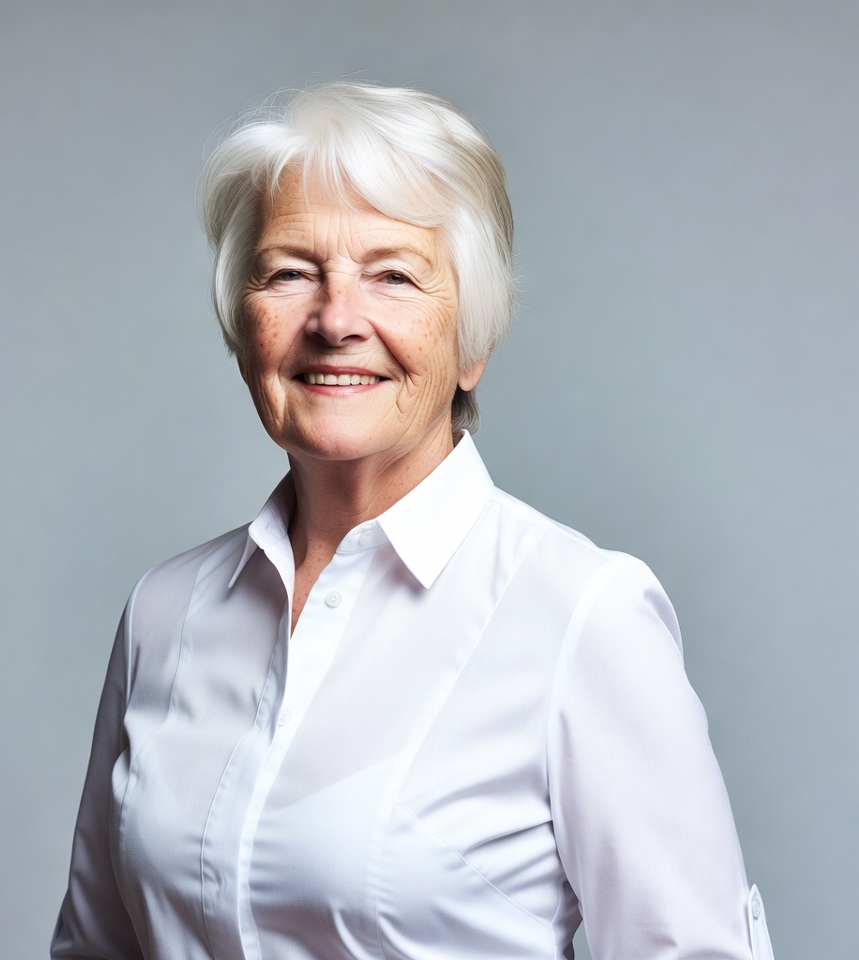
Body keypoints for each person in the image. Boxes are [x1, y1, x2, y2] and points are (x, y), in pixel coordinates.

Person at [52, 81, 775, 960]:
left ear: (473, 341)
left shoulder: (584, 617)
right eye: (291, 272)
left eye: (392, 275)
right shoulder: (164, 614)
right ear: (243, 324)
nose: (335, 319)